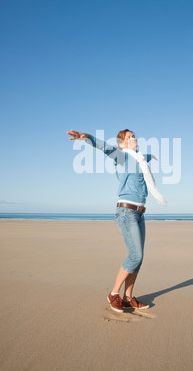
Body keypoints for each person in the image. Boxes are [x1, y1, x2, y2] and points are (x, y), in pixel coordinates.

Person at [66, 128, 166, 313]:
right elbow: (105, 148)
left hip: (139, 213)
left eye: (134, 135)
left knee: (138, 259)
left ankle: (128, 298)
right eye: (129, 137)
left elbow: (142, 159)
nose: (134, 138)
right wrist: (87, 137)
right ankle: (114, 294)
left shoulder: (139, 159)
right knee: (135, 256)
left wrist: (150, 156)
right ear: (122, 144)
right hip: (126, 212)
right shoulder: (123, 157)